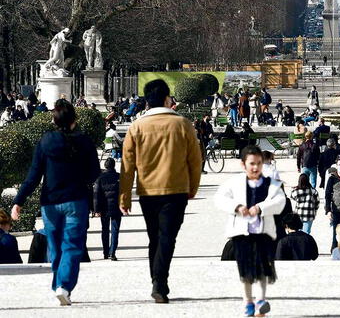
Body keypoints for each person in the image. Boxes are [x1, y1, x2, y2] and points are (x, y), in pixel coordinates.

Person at [120, 79, 202, 303]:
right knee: (167, 238)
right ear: (167, 99)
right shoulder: (182, 124)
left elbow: (127, 166)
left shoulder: (137, 127)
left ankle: (156, 280)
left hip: (147, 191)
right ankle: (159, 282)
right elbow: (195, 161)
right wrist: (192, 188)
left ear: (147, 101)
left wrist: (125, 196)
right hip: (176, 190)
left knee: (154, 237)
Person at [11, 99, 100, 305]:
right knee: (72, 245)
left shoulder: (45, 141)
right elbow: (94, 172)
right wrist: (82, 180)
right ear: (74, 121)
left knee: (55, 245)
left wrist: (19, 200)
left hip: (50, 201)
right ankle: (64, 286)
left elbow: (33, 175)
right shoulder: (84, 141)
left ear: (54, 120)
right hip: (75, 199)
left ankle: (58, 285)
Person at [214, 145, 285, 317]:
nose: (255, 167)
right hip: (241, 232)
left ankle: (261, 299)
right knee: (245, 269)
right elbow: (219, 198)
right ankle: (248, 301)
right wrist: (236, 206)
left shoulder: (271, 183)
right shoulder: (234, 182)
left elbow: (280, 201)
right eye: (252, 163)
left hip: (263, 232)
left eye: (259, 163)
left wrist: (261, 208)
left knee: (263, 267)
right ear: (243, 164)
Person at [93, 158, 122, 261]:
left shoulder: (100, 178)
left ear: (105, 166)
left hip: (104, 208)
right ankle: (112, 252)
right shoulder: (119, 177)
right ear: (114, 166)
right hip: (116, 208)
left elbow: (96, 194)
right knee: (115, 230)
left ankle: (105, 252)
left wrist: (96, 210)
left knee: (105, 230)